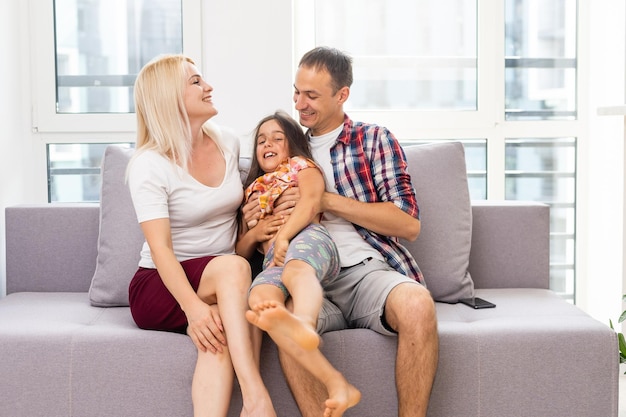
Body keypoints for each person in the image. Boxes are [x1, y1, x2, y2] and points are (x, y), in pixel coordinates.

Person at [242, 47, 439, 417]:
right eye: (296, 92)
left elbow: (407, 224)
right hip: (307, 275)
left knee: (417, 305)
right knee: (281, 313)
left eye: (312, 95)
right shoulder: (288, 147)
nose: (300, 105)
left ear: (342, 94)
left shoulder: (373, 140)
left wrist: (324, 201)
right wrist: (256, 222)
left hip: (365, 270)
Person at [126, 54, 276, 417]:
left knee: (220, 333)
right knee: (235, 269)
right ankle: (256, 400)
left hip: (219, 280)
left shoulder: (228, 142)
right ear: (169, 98)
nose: (208, 87)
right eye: (195, 82)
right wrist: (193, 310)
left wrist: (257, 226)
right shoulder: (149, 165)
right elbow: (160, 249)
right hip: (160, 285)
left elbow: (234, 223)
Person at [236, 111, 361, 417]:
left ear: (292, 145)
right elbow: (238, 251)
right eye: (261, 140)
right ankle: (336, 382)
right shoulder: (250, 190)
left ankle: (305, 319)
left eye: (278, 138)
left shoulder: (300, 166)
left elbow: (311, 200)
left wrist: (284, 236)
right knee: (260, 301)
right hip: (271, 260)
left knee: (295, 271)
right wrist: (255, 234)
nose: (268, 143)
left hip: (309, 239)